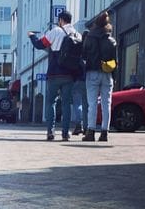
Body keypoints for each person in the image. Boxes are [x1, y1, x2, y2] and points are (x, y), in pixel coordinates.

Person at [28, 10, 81, 141]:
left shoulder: (56, 31)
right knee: (66, 104)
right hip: (69, 74)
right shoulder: (77, 34)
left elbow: (40, 44)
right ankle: (65, 133)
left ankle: (50, 132)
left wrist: (32, 36)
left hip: (54, 73)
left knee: (51, 102)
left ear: (61, 20)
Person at [82, 10, 117, 142]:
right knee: (106, 104)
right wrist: (115, 76)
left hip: (92, 72)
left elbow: (84, 55)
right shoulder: (112, 41)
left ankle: (90, 132)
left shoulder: (89, 37)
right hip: (107, 73)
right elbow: (115, 61)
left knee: (92, 104)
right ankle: (104, 133)